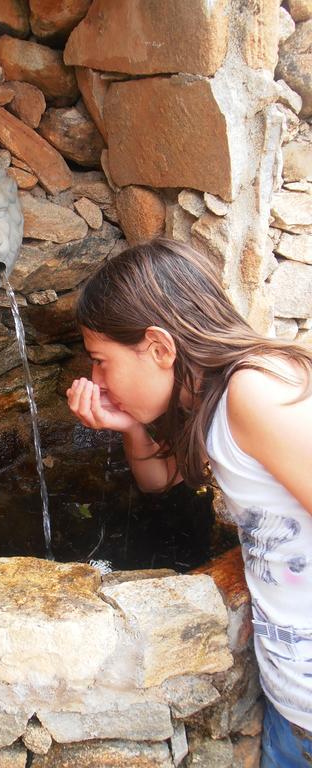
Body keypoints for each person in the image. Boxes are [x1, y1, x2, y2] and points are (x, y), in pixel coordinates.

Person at [66, 238, 312, 768]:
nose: (96, 380)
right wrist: (133, 425)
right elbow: (159, 482)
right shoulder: (214, 400)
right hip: (293, 700)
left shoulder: (254, 393)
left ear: (159, 347)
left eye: (102, 361)